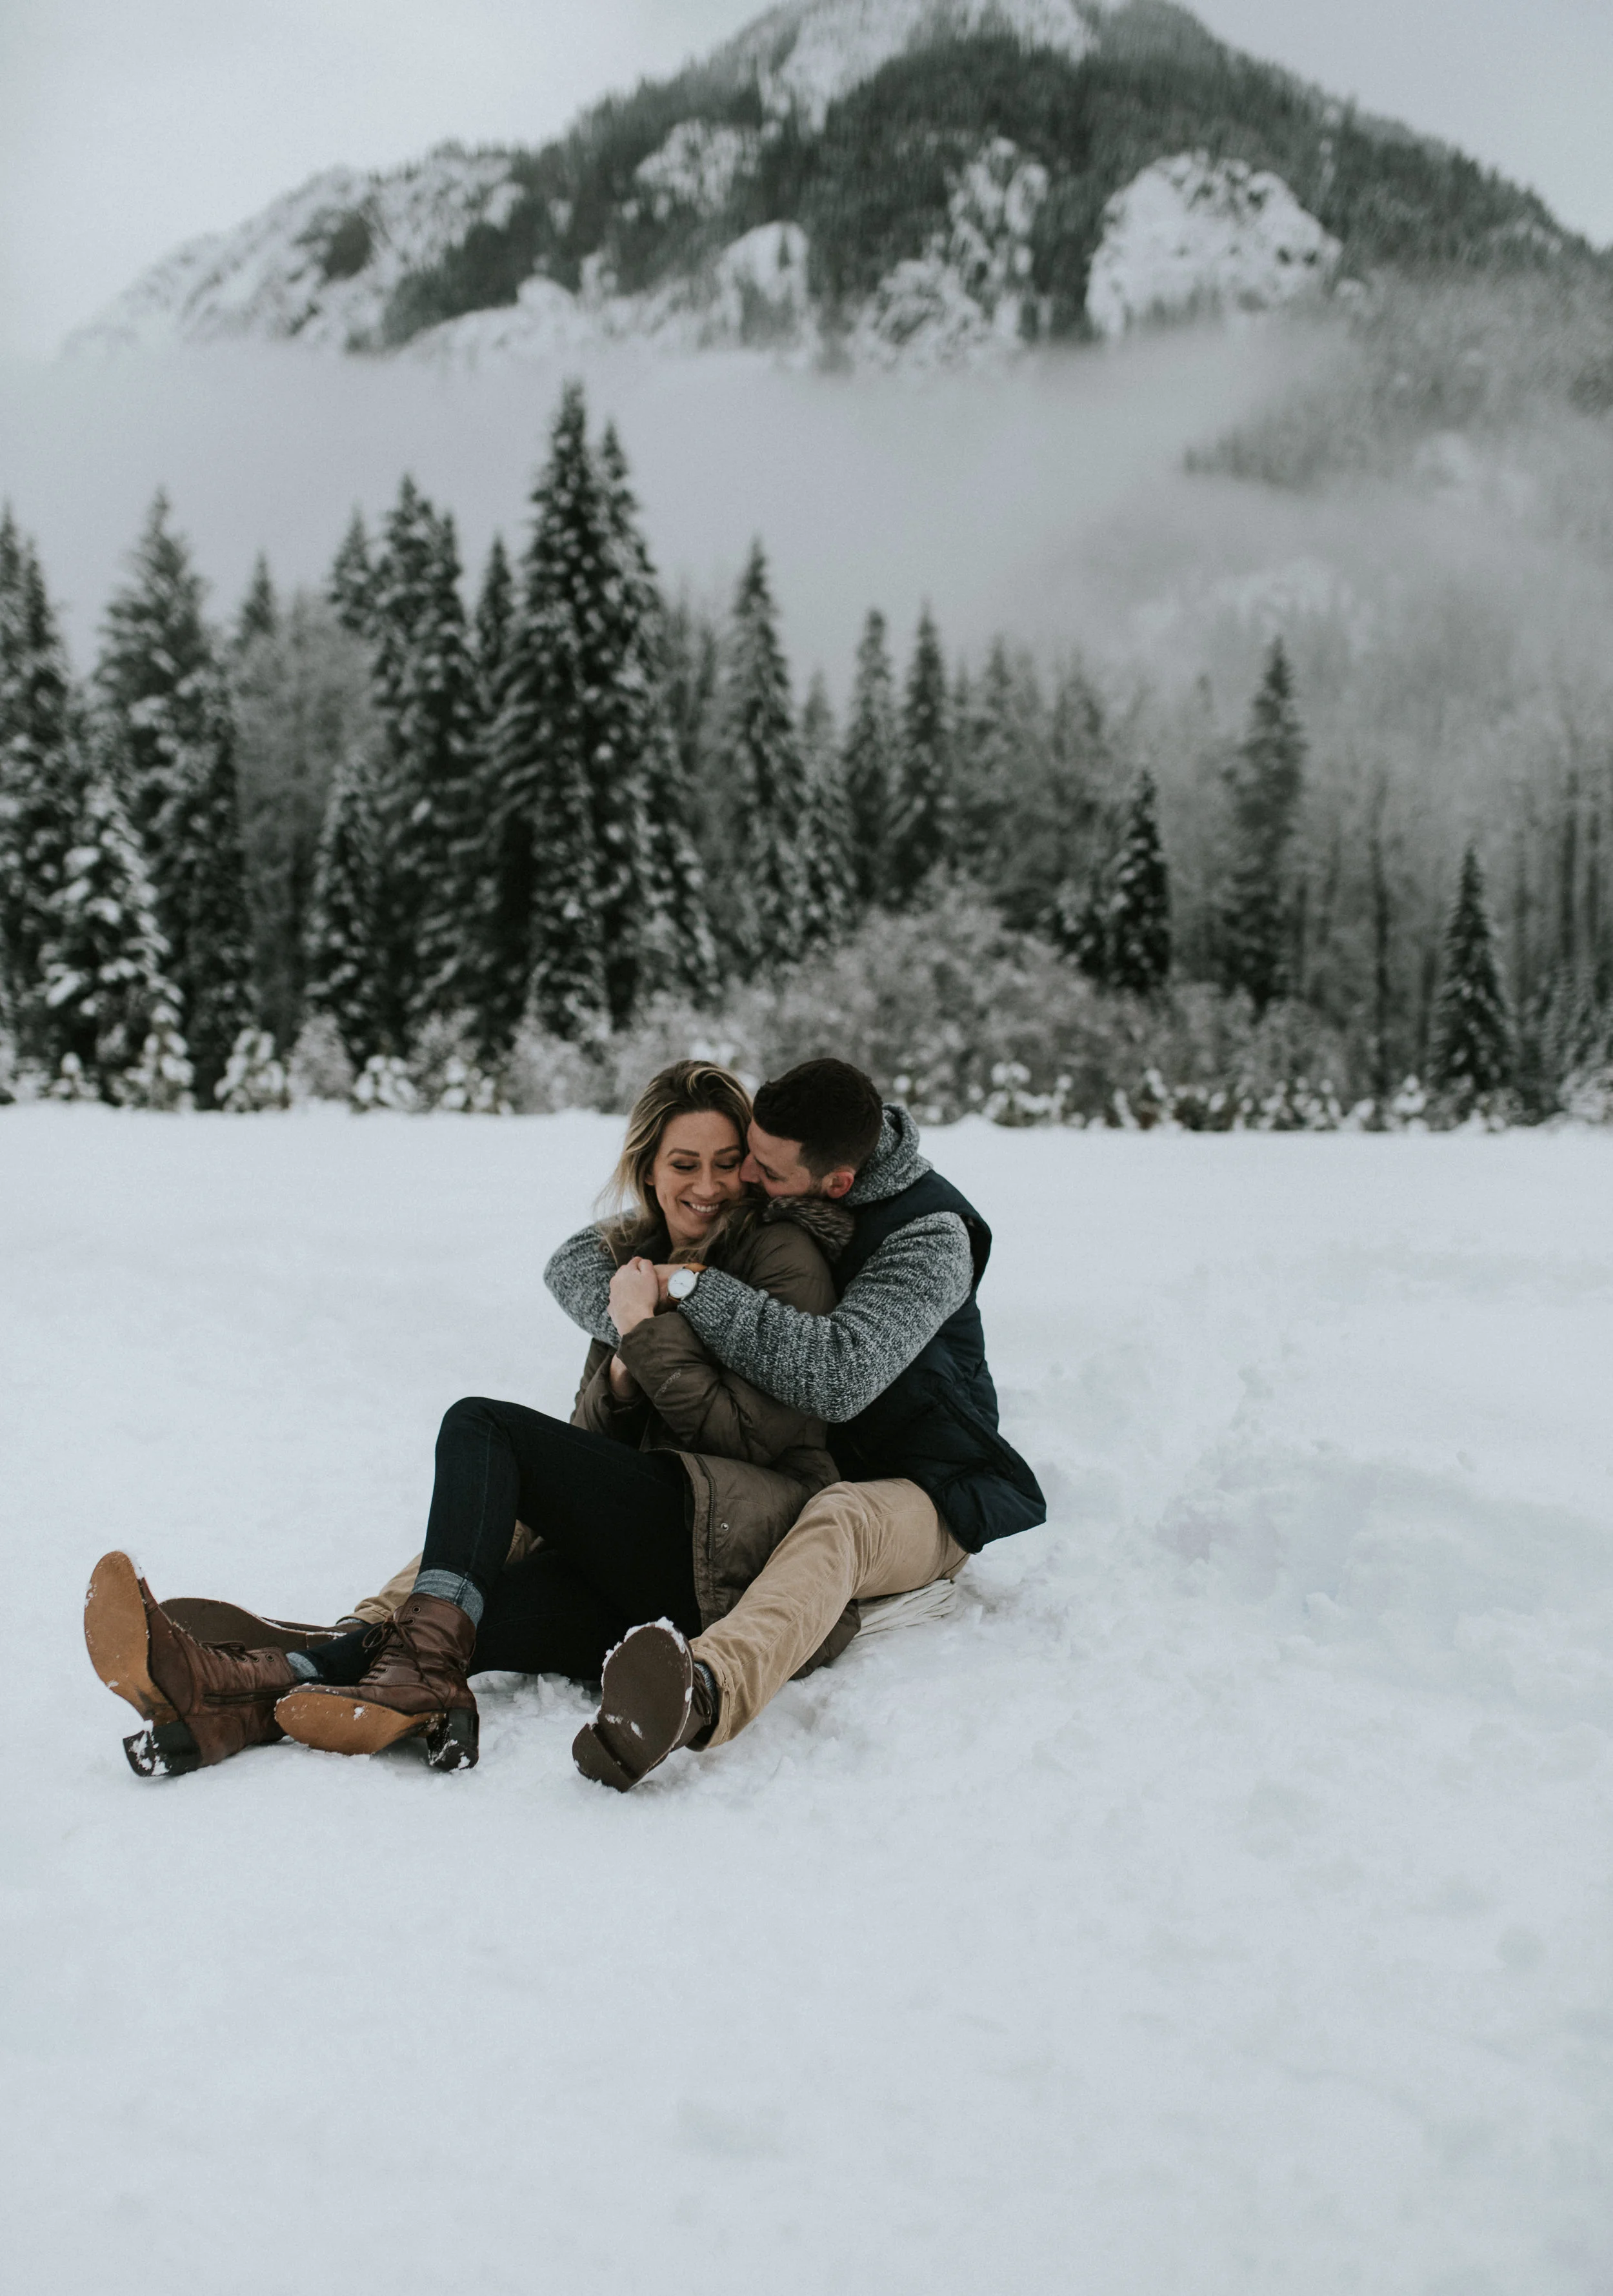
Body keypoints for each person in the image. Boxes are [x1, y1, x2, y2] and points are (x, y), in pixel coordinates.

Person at [81, 1061, 848, 1778]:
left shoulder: (781, 1257)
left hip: (728, 1548)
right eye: (685, 1164)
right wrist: (621, 1369)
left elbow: (761, 1437)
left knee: (482, 1426)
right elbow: (591, 1447)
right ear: (648, 1168)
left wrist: (644, 1338)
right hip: (642, 1570)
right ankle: (234, 1703)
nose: (708, 1186)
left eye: (726, 1163)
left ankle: (403, 1680)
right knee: (454, 1620)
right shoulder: (639, 1265)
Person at [546, 1056, 1046, 1789]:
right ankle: (387, 1627)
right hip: (814, 1466)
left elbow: (836, 1377)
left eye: (760, 1170)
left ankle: (704, 1690)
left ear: (836, 1183)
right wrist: (639, 1312)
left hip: (929, 1487)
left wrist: (678, 1293)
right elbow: (574, 1263)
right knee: (551, 1464)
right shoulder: (793, 1177)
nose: (741, 1179)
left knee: (843, 1516)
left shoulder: (931, 1238)